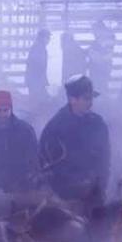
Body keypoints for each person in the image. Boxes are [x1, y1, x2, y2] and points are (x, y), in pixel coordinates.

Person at [39, 74, 110, 204]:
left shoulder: (98, 124)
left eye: (91, 98)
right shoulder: (55, 128)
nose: (90, 103)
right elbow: (45, 164)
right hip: (64, 197)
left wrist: (101, 187)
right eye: (86, 99)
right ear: (72, 99)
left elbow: (105, 160)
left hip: (94, 193)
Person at [88, 20, 115, 95]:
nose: (94, 33)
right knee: (97, 87)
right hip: (97, 69)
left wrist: (95, 55)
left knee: (101, 87)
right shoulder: (98, 41)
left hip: (102, 69)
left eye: (95, 30)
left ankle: (103, 102)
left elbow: (107, 56)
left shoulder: (107, 40)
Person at [25, 29, 51, 105]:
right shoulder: (38, 48)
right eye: (47, 37)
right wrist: (41, 82)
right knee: (36, 102)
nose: (48, 40)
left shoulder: (40, 48)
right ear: (42, 37)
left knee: (38, 101)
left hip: (37, 80)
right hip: (35, 81)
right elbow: (36, 66)